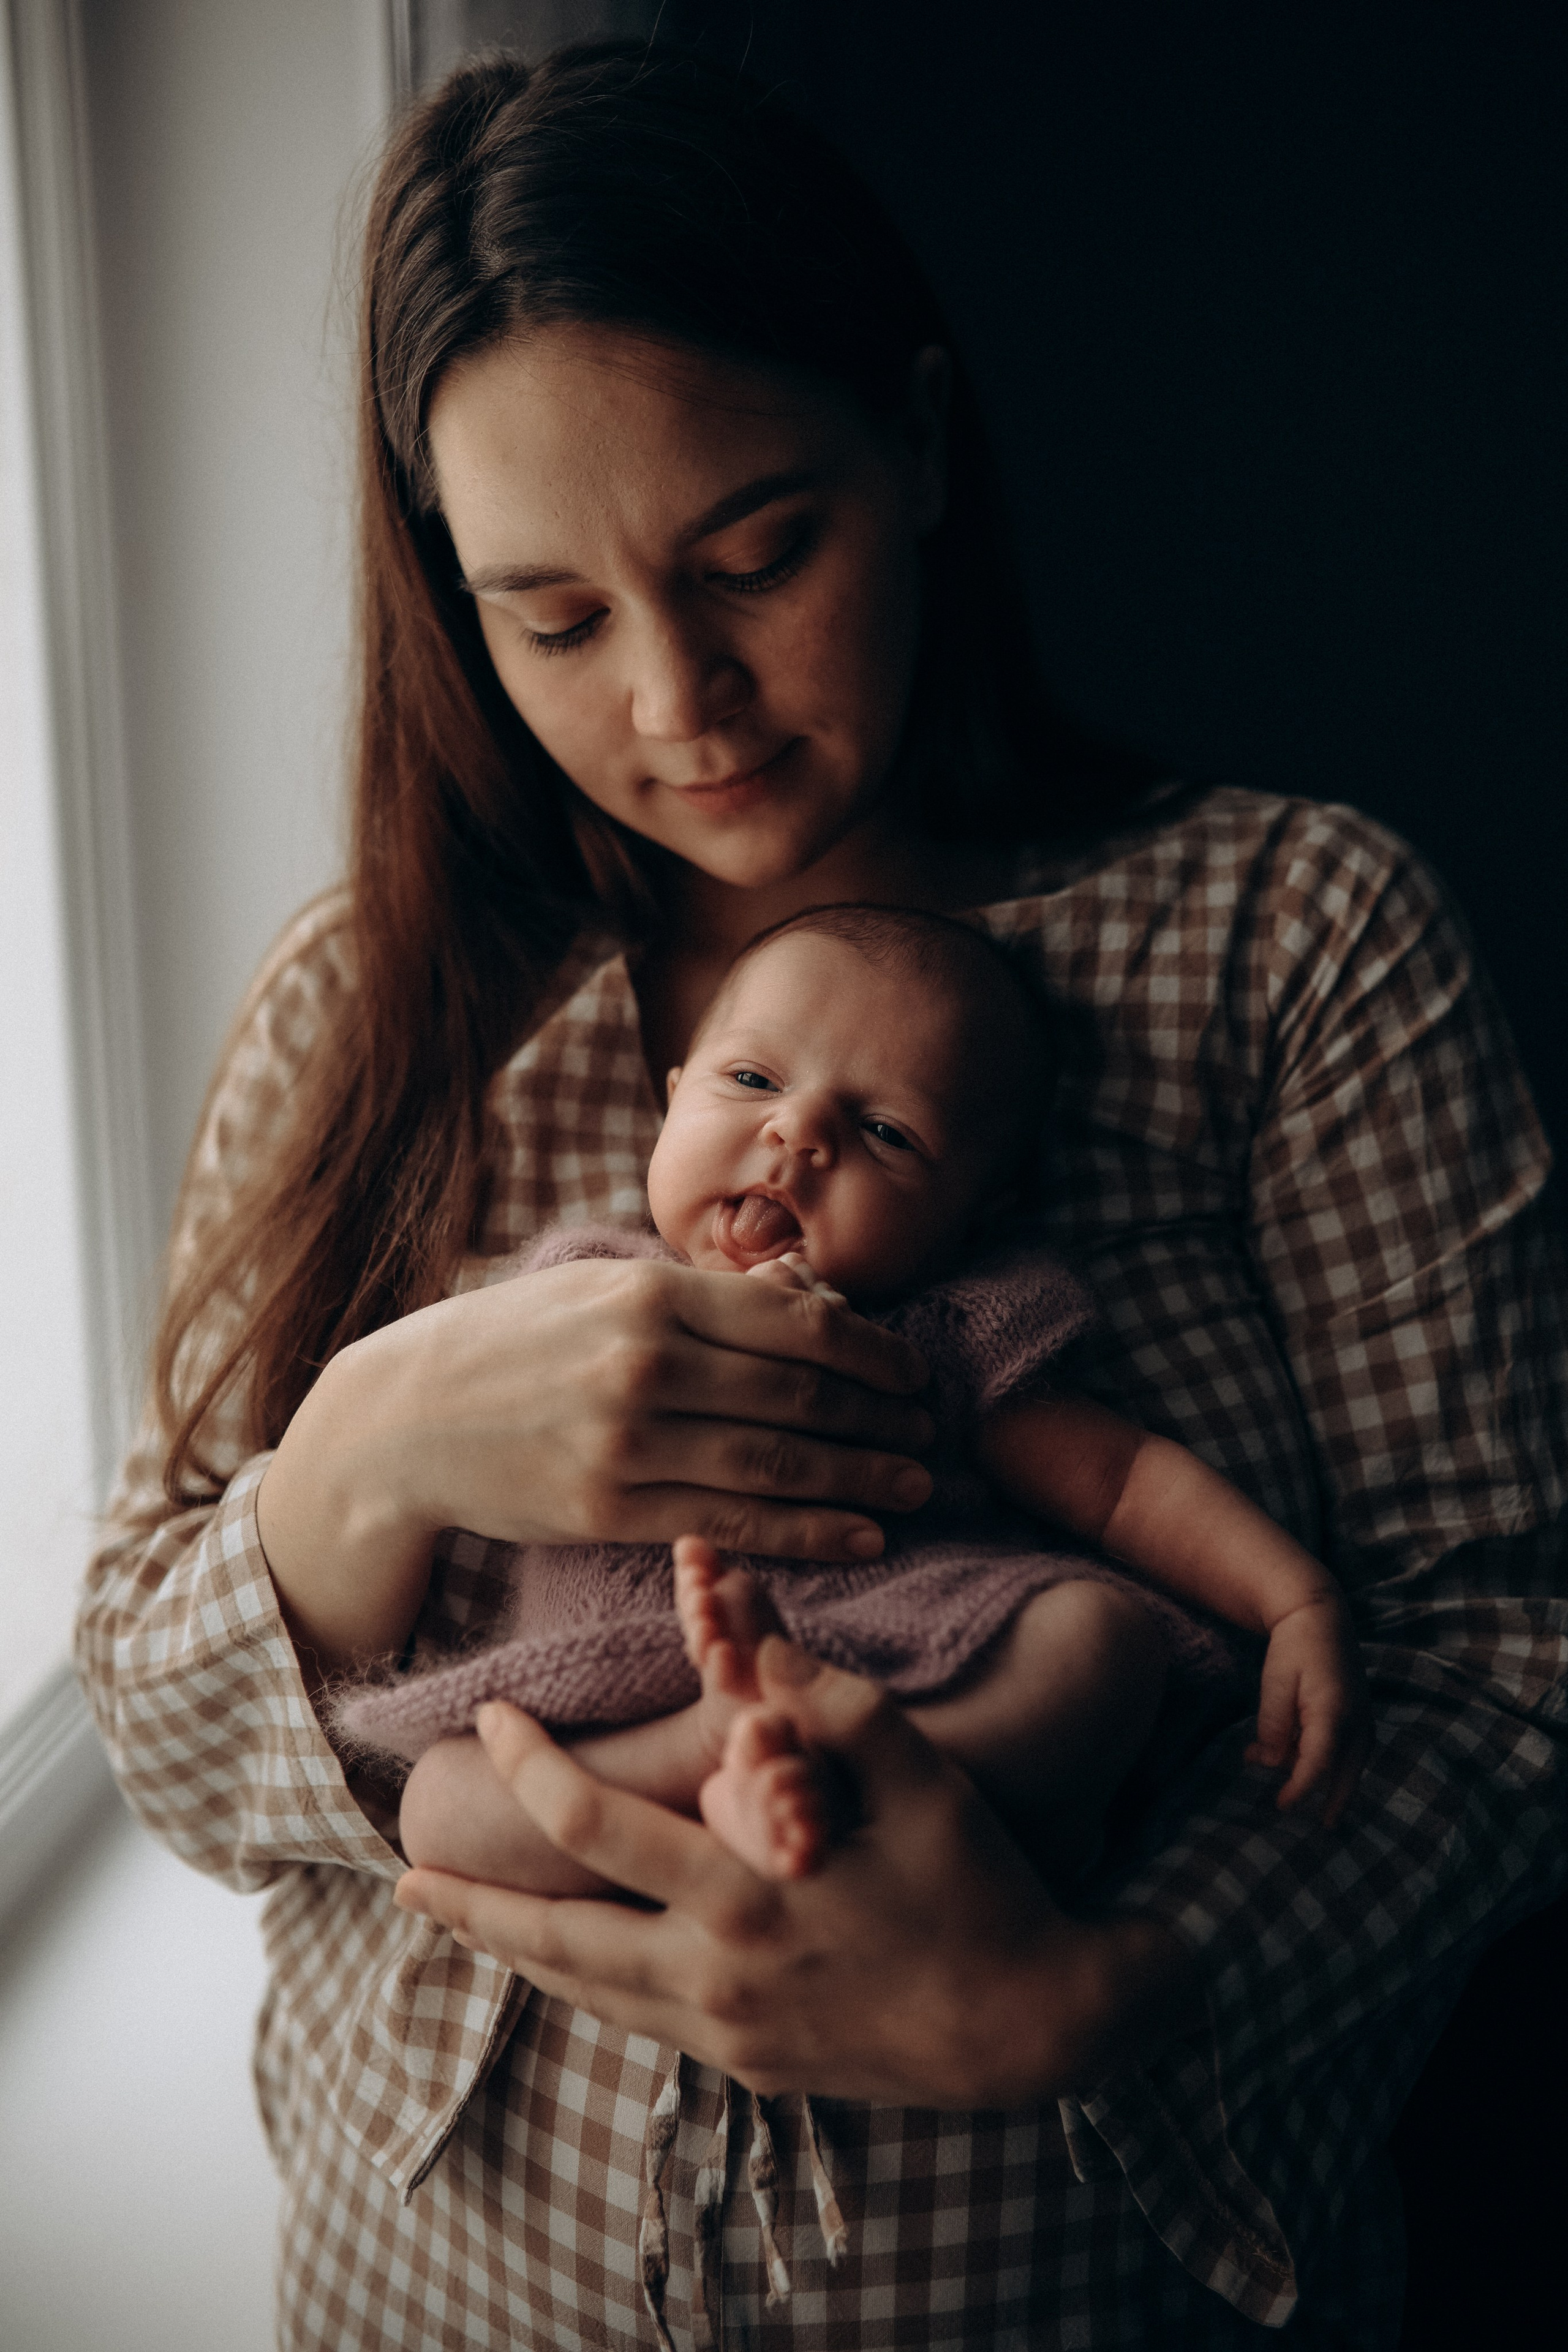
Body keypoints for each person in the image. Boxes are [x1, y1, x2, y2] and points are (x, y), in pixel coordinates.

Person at [75, 40, 1567, 2352]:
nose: (684, 698)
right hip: (433, 2295)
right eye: (554, 618)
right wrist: (365, 1456)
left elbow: (1506, 1668)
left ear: (928, 446)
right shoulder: (376, 1007)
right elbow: (162, 1724)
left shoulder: (1282, 941)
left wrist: (1096, 1999)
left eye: (757, 554)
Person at [337, 903, 1370, 1894]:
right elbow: (463, 1448)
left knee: (1099, 1648)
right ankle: (711, 1761)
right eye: (750, 1078)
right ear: (670, 1097)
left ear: (973, 1216)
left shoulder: (952, 1332)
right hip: (610, 1689)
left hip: (894, 1654)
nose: (798, 1131)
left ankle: (877, 1772)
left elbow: (1123, 1486)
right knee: (440, 1801)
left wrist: (1293, 1599)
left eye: (885, 1132)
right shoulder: (574, 1291)